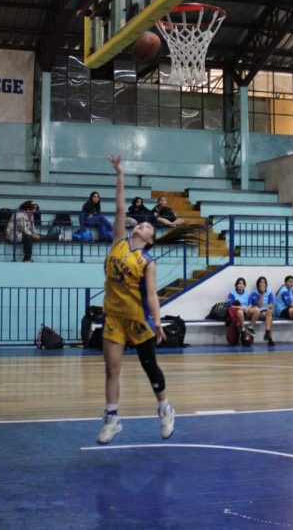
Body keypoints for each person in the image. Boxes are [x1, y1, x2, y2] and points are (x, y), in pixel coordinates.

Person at [96, 154, 199, 445]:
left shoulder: (147, 261)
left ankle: (164, 406)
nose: (143, 226)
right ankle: (112, 418)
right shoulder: (118, 242)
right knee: (111, 368)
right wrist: (120, 174)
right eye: (142, 225)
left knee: (148, 366)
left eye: (149, 227)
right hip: (114, 316)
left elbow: (152, 295)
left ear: (151, 239)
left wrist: (157, 321)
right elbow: (118, 207)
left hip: (137, 318)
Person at [226, 277, 259, 343]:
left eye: (242, 284)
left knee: (257, 310)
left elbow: (250, 304)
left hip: (246, 310)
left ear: (244, 285)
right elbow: (230, 305)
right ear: (236, 285)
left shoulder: (247, 293)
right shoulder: (232, 293)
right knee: (240, 312)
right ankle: (243, 329)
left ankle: (250, 327)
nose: (241, 285)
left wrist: (247, 308)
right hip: (237, 311)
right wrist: (239, 307)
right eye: (239, 283)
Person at [252, 276, 276, 346]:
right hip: (258, 312)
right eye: (261, 282)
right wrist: (262, 294)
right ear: (258, 284)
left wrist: (266, 309)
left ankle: (267, 331)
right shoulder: (255, 293)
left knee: (269, 313)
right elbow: (259, 306)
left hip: (266, 311)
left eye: (264, 282)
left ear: (266, 284)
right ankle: (270, 338)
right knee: (270, 318)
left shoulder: (269, 292)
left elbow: (271, 304)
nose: (262, 284)